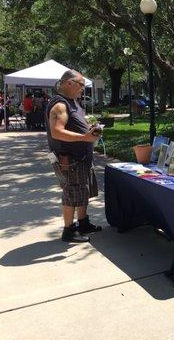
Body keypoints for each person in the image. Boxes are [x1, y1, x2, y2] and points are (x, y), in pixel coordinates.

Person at [46, 70, 102, 242]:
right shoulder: (60, 105)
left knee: (83, 191)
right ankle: (68, 230)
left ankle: (83, 222)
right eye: (81, 85)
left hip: (82, 157)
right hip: (70, 159)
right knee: (71, 193)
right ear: (69, 83)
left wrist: (90, 128)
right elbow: (57, 132)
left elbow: (75, 125)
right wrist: (84, 137)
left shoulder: (73, 102)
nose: (83, 89)